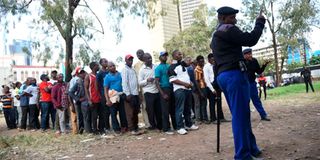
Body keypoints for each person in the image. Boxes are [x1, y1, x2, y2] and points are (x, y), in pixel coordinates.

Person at [210, 6, 265, 159]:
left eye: (234, 17)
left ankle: (251, 148)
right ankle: (243, 155)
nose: (234, 20)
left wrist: (216, 83)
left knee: (241, 114)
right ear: (222, 18)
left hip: (224, 77)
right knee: (241, 116)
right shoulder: (228, 29)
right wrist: (259, 23)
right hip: (234, 75)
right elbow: (250, 40)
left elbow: (216, 62)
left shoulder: (215, 35)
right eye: (231, 17)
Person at [168, 50, 199, 135]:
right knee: (179, 109)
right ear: (174, 56)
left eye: (181, 54)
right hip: (179, 90)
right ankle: (180, 127)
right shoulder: (172, 67)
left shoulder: (182, 65)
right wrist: (185, 84)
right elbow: (172, 80)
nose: (181, 55)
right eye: (179, 54)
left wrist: (189, 82)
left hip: (187, 89)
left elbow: (184, 75)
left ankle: (189, 124)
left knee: (187, 108)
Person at [243, 48, 271, 121]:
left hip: (252, 83)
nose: (250, 55)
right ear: (244, 55)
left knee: (256, 100)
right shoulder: (241, 62)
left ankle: (263, 115)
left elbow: (259, 71)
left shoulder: (254, 61)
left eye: (251, 54)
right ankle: (245, 118)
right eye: (248, 54)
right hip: (243, 84)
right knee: (245, 101)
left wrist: (264, 65)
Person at [139, 53, 162, 130]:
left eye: (150, 58)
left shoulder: (156, 67)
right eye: (148, 58)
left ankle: (160, 125)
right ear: (144, 60)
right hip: (148, 92)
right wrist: (147, 80)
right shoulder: (142, 70)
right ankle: (153, 125)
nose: (150, 59)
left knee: (158, 109)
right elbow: (139, 83)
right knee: (150, 110)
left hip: (157, 90)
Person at [155, 51, 176, 134]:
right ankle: (166, 128)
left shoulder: (169, 66)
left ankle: (176, 126)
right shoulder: (158, 68)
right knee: (165, 110)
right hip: (164, 89)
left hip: (171, 88)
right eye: (163, 56)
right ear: (160, 57)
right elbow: (156, 82)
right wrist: (163, 94)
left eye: (166, 56)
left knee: (173, 109)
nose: (165, 57)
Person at [203, 53, 228, 123]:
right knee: (212, 103)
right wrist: (212, 89)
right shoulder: (206, 67)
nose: (213, 61)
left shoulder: (216, 65)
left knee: (219, 102)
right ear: (208, 59)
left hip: (217, 85)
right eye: (212, 59)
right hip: (211, 86)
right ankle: (213, 119)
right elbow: (206, 79)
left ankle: (221, 117)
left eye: (214, 59)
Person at [104, 61, 128, 134]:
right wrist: (107, 100)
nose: (113, 67)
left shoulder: (120, 74)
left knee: (122, 112)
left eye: (113, 65)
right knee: (113, 113)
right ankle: (116, 129)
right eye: (110, 66)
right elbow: (105, 89)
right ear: (108, 68)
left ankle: (124, 127)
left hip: (121, 95)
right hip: (113, 97)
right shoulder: (107, 77)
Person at [122, 54, 139, 134]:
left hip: (135, 93)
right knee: (130, 112)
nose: (131, 61)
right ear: (125, 60)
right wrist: (128, 94)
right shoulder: (125, 69)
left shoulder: (132, 69)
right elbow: (124, 83)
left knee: (135, 111)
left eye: (132, 60)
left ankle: (136, 127)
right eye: (129, 60)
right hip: (129, 94)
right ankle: (131, 128)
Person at [133, 49, 150, 128]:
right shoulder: (136, 65)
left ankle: (154, 122)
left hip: (153, 89)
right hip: (142, 89)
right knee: (145, 106)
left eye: (140, 53)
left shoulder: (150, 63)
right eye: (137, 54)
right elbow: (137, 80)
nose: (139, 55)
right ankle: (147, 124)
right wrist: (139, 91)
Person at [69, 69, 89, 133]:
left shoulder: (88, 80)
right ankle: (81, 130)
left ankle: (88, 129)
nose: (83, 74)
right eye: (81, 73)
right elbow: (70, 92)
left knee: (87, 116)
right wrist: (77, 99)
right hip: (79, 102)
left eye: (84, 72)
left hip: (87, 101)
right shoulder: (78, 82)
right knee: (80, 117)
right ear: (78, 75)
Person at [84, 62, 101, 134]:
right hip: (92, 99)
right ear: (94, 67)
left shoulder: (98, 75)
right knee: (93, 116)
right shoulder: (88, 76)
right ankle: (93, 130)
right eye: (97, 65)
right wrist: (89, 100)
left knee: (99, 115)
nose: (98, 66)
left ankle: (98, 128)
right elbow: (86, 88)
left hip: (99, 98)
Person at [96, 58, 111, 133]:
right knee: (105, 112)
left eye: (107, 61)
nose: (106, 62)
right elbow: (97, 86)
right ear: (101, 64)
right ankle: (106, 127)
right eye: (105, 61)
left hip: (111, 93)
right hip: (103, 94)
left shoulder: (109, 72)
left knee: (110, 111)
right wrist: (100, 95)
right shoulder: (99, 73)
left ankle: (109, 126)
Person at [194, 55, 209, 124]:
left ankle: (203, 118)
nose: (202, 62)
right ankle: (204, 119)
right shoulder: (197, 69)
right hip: (201, 88)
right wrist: (200, 92)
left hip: (204, 87)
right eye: (201, 61)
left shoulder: (203, 68)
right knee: (203, 104)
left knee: (204, 104)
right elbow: (196, 81)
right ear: (197, 62)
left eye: (203, 61)